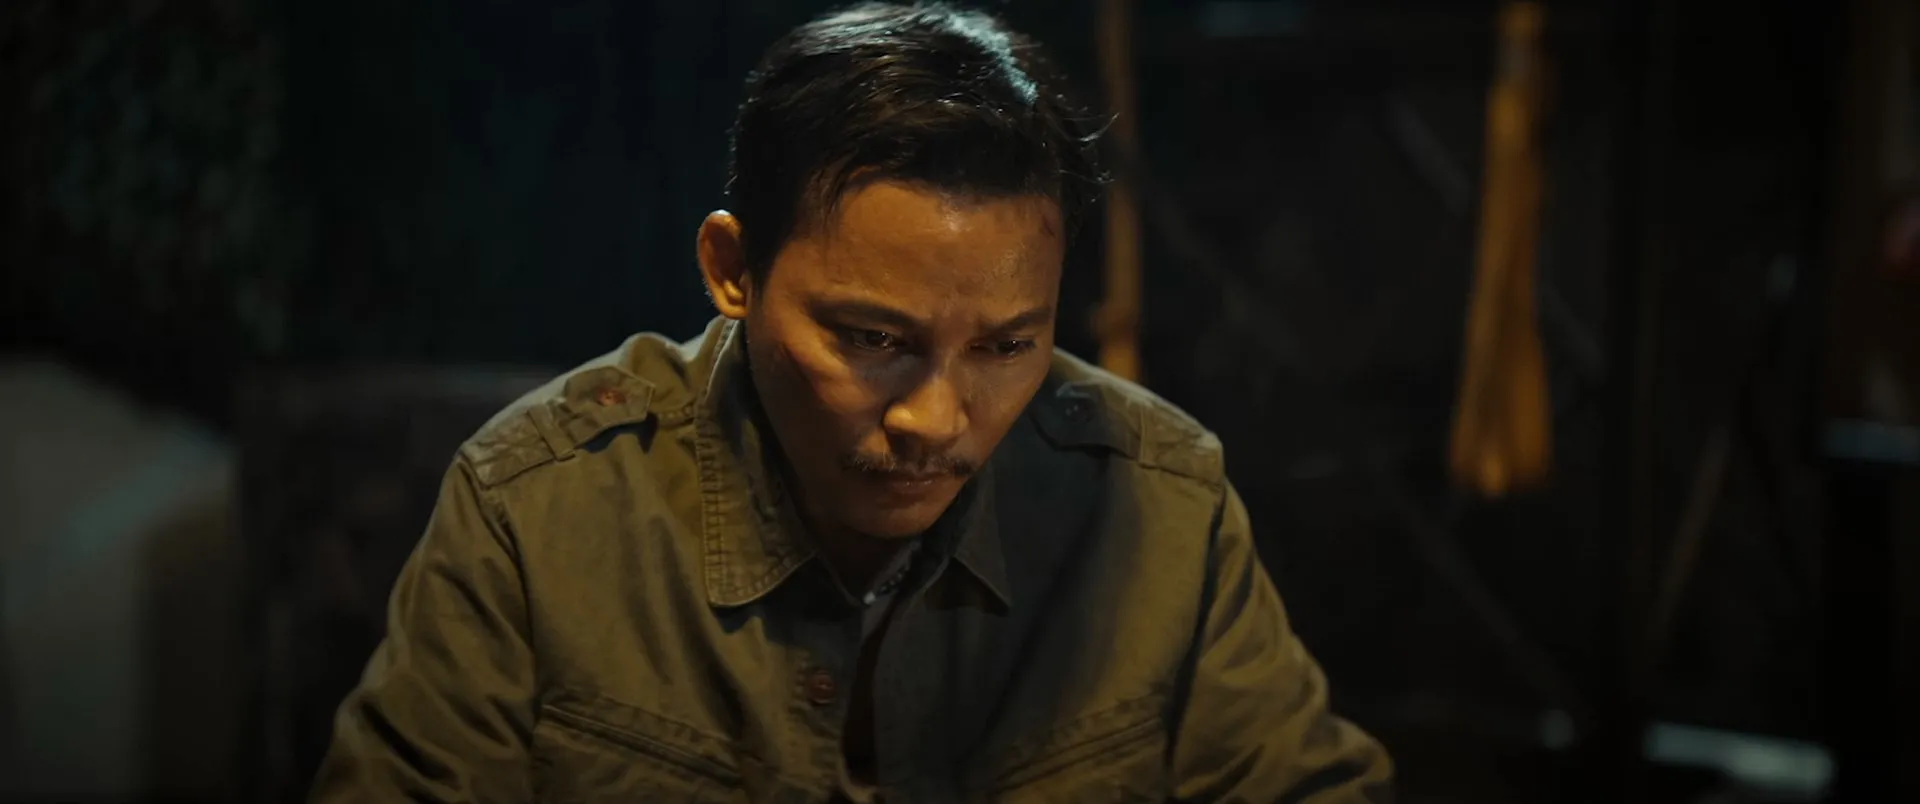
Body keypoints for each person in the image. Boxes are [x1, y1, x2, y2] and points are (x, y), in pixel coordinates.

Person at [309, 2, 1393, 801]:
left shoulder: (1157, 504)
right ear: (733, 271)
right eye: (873, 341)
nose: (936, 419)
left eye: (1008, 345)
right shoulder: (540, 512)